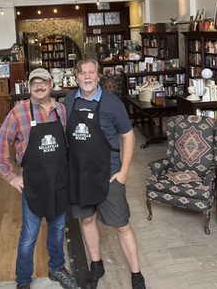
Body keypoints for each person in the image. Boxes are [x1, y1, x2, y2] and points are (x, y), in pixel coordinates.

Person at [0, 68, 78, 289]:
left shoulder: (61, 110)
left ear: (51, 84)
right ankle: (22, 280)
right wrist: (11, 177)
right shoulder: (18, 113)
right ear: (29, 87)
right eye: (34, 83)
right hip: (34, 184)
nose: (39, 87)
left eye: (43, 82)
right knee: (29, 236)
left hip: (59, 181)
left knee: (58, 229)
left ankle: (57, 267)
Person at [64, 58, 145, 289]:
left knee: (121, 225)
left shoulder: (112, 103)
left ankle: (136, 275)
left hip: (110, 174)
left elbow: (128, 136)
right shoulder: (70, 100)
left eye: (91, 72)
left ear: (98, 76)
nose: (87, 77)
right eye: (82, 73)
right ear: (76, 77)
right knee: (87, 219)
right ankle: (96, 265)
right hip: (80, 175)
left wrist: (123, 172)